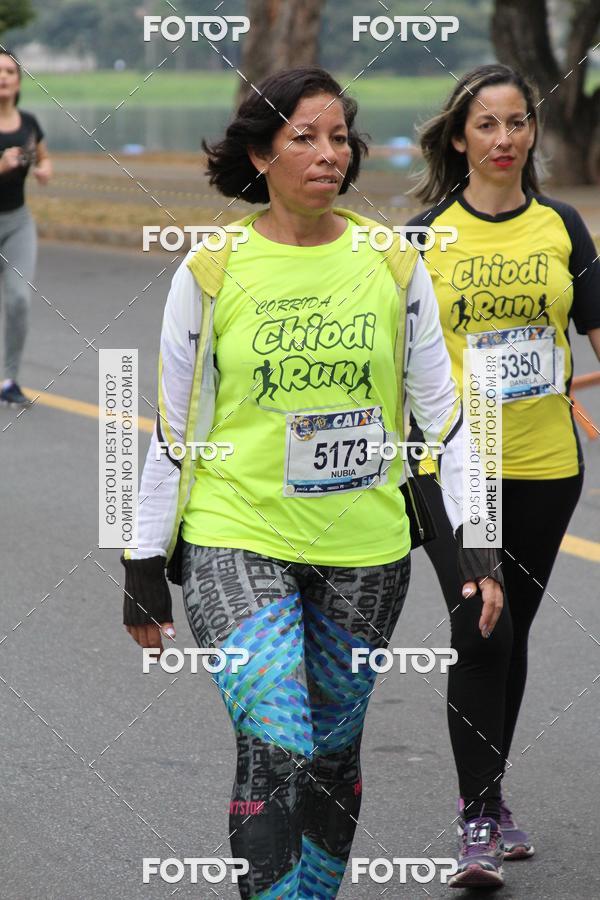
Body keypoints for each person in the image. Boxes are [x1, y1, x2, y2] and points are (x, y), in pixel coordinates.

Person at [121, 66, 502, 899]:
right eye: (305, 137)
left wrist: (481, 540)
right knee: (279, 740)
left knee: (332, 751)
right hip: (234, 532)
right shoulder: (211, 270)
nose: (329, 154)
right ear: (260, 155)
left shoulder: (395, 265)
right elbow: (171, 428)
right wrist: (142, 564)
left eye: (339, 138)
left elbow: (447, 419)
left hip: (366, 548)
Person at [406, 63, 600, 888]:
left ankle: (489, 797)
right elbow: (394, 368)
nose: (504, 138)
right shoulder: (419, 239)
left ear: (532, 133)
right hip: (457, 471)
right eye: (486, 124)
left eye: (517, 122)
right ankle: (478, 818)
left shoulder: (563, 226)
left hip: (548, 463)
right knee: (480, 627)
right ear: (459, 137)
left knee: (510, 628)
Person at [0, 50, 52, 406]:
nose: (3, 77)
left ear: (19, 81)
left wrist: (45, 169)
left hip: (18, 222)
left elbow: (43, 157)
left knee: (18, 299)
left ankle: (9, 380)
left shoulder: (29, 123)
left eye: (9, 71)